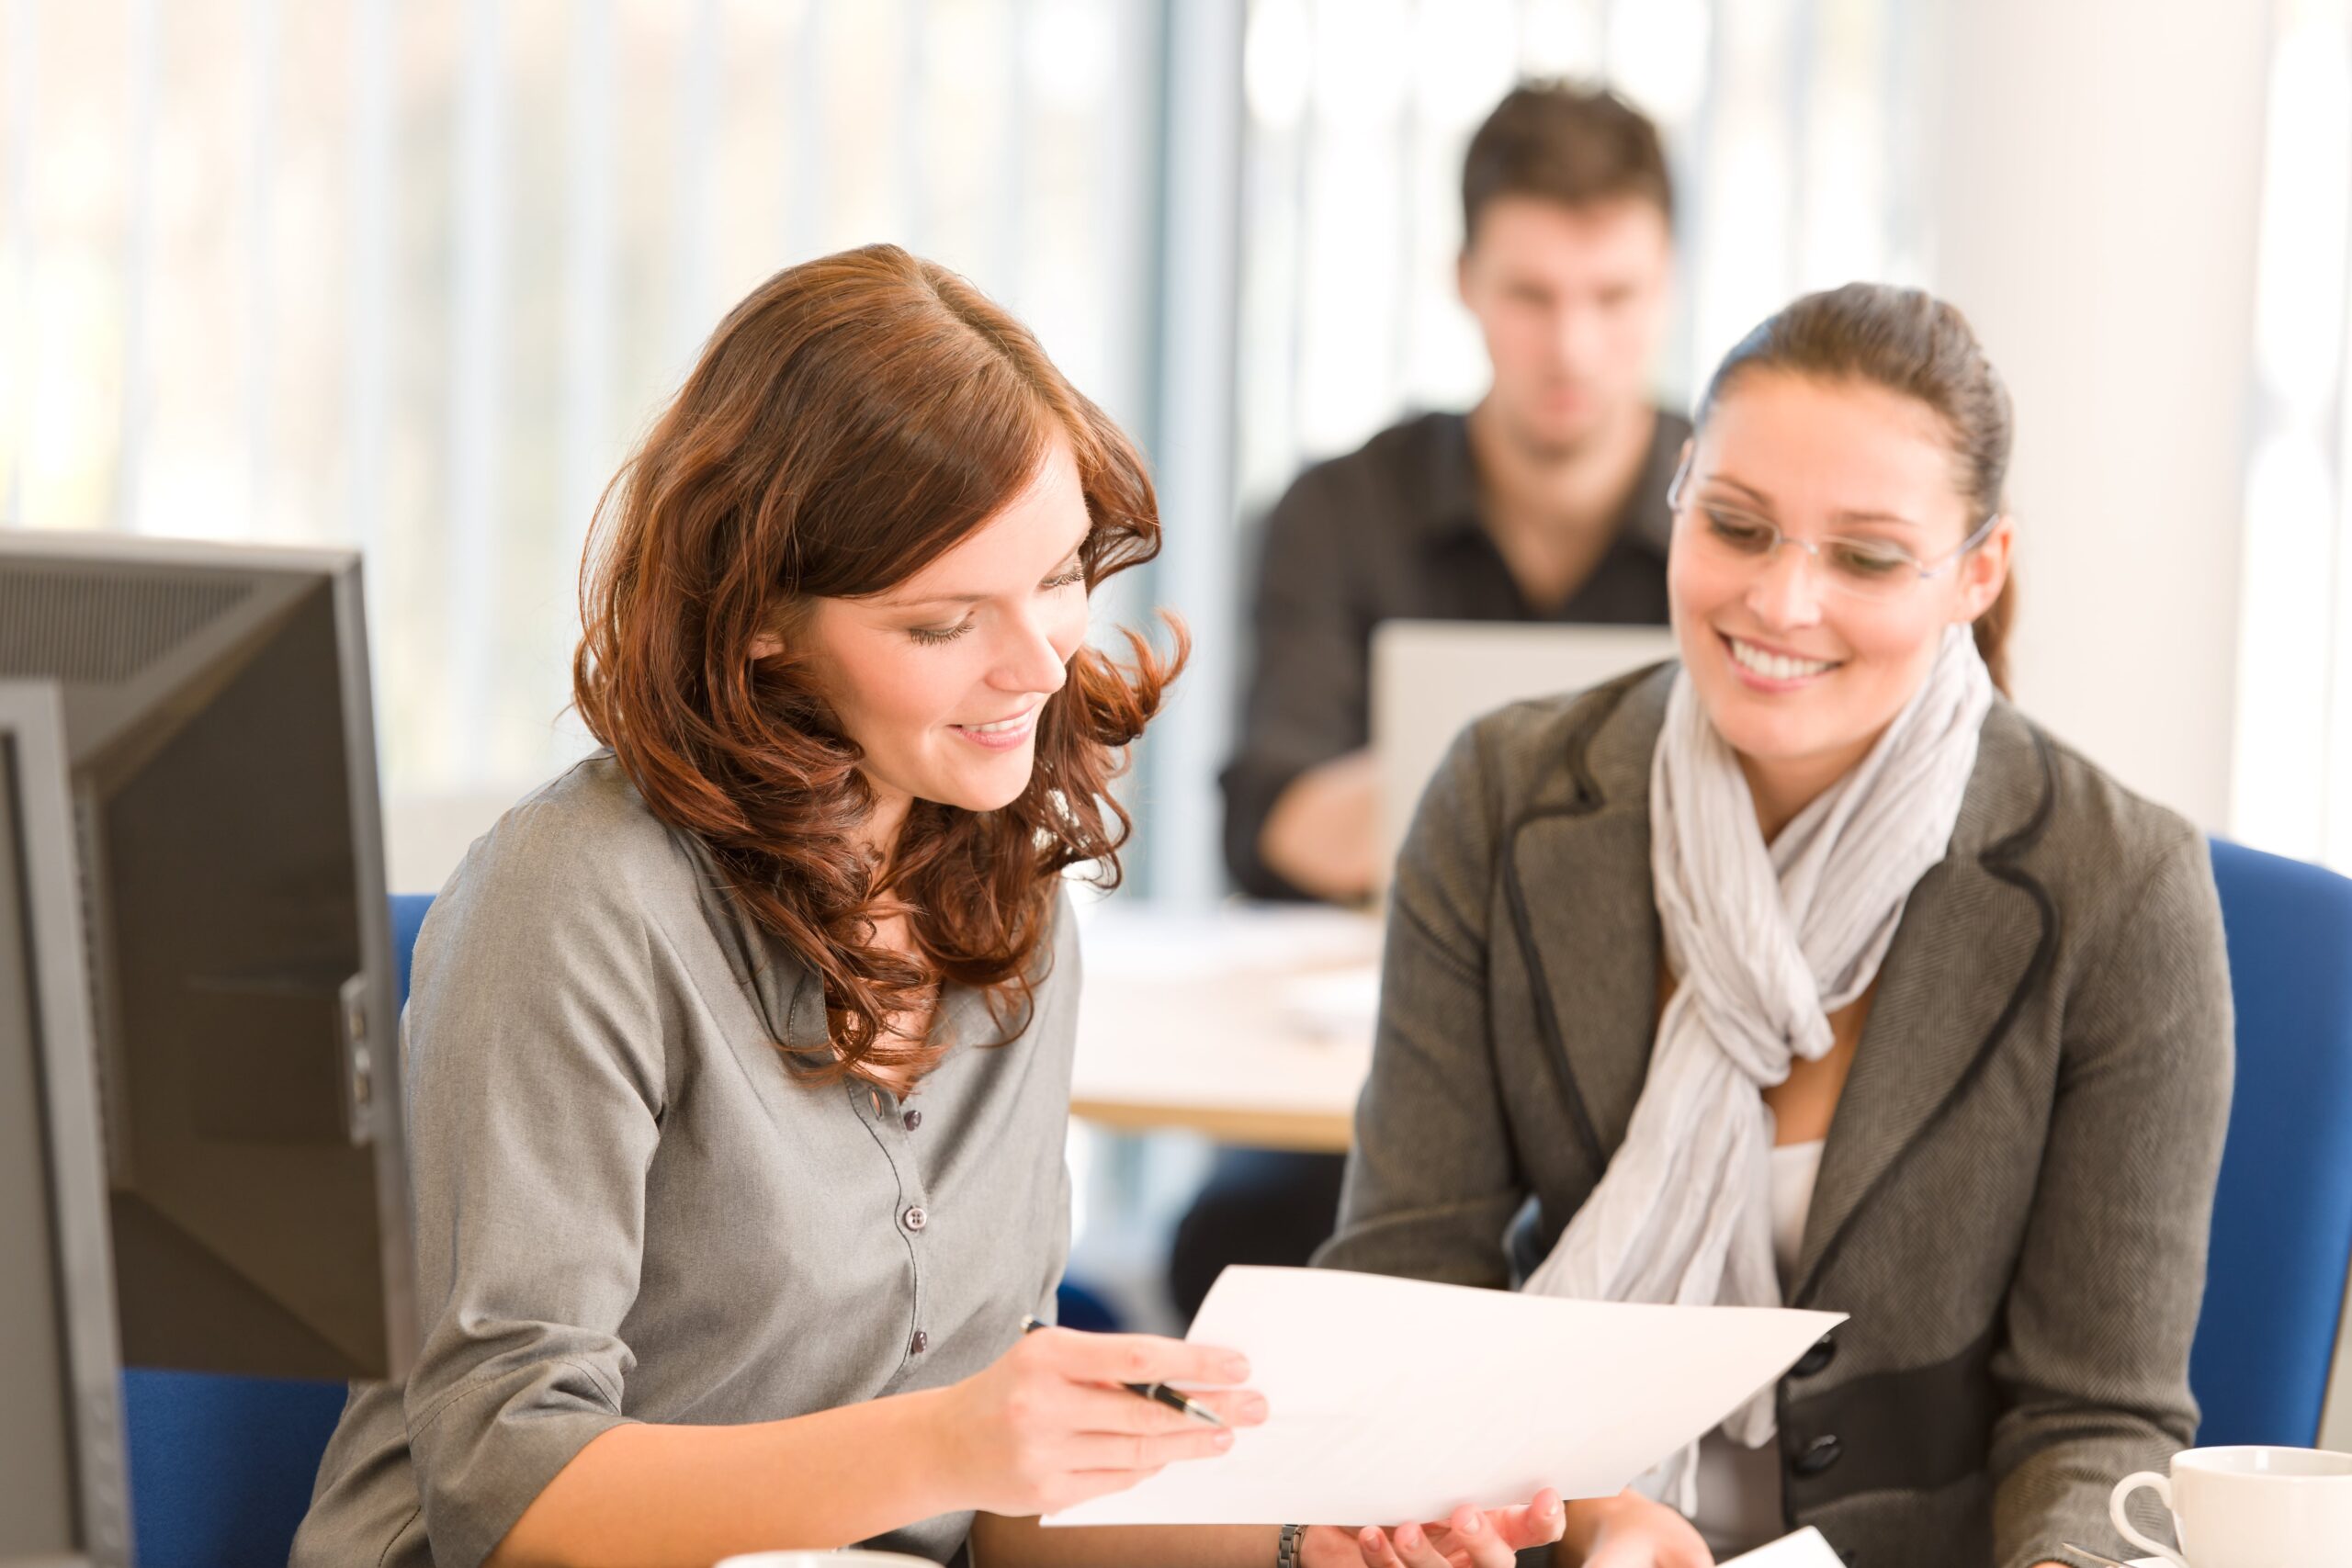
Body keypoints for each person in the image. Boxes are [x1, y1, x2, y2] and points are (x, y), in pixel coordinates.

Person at [289, 244, 1564, 1568]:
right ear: (763, 625)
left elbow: (996, 1514)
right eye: (944, 623)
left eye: (1061, 575)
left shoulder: (1004, 884)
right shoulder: (575, 900)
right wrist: (952, 1441)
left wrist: (1310, 1544)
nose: (1037, 664)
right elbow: (508, 1489)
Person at [1316, 282, 2233, 1568]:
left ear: (1978, 572)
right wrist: (1587, 1522)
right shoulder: (1507, 800)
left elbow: (2096, 1419)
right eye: (1738, 527)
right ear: (1680, 492)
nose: (1782, 604)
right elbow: (1406, 1292)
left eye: (1865, 557)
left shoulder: (2118, 885)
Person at [1177, 80, 1689, 1324]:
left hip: (1664, 1059)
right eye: (1532, 295)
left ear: (1665, 282)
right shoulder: (1339, 511)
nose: (1572, 345)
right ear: (1465, 281)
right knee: (1241, 1248)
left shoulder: (1734, 527)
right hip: (1368, 1061)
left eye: (1613, 297)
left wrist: (1439, 779)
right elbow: (1276, 821)